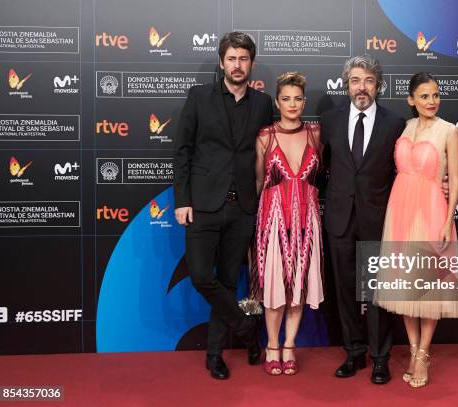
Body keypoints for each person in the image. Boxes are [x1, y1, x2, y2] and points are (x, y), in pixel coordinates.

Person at [173, 31, 273, 380]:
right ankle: (246, 330)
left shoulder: (263, 103)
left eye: (243, 59)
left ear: (252, 63)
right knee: (201, 276)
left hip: (244, 207)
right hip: (202, 205)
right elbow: (182, 150)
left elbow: (270, 153)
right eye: (231, 58)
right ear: (221, 62)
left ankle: (214, 354)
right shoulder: (199, 97)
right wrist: (182, 200)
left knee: (229, 281)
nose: (237, 65)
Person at [375, 72, 458, 388]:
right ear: (411, 99)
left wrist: (448, 220)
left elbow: (454, 179)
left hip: (431, 212)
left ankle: (424, 353)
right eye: (425, 96)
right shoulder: (405, 127)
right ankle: (413, 348)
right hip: (399, 211)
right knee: (403, 282)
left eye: (436, 95)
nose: (432, 101)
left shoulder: (449, 131)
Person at [320, 55, 406, 384]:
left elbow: (404, 169)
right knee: (344, 290)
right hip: (340, 219)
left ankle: (380, 357)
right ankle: (353, 353)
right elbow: (323, 166)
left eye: (369, 81)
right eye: (356, 80)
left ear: (378, 85)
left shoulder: (394, 123)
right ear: (346, 84)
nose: (362, 87)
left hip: (377, 218)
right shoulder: (330, 120)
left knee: (376, 292)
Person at [250, 72, 324, 376]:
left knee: (299, 290)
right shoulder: (265, 136)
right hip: (273, 221)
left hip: (308, 221)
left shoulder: (316, 134)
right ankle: (272, 346)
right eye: (286, 99)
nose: (292, 104)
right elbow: (258, 183)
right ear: (277, 102)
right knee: (274, 290)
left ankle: (290, 345)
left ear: (304, 101)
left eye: (297, 99)